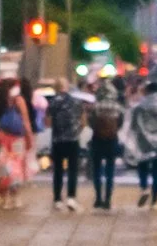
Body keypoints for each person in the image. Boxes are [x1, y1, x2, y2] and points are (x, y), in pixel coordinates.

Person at [0, 79, 36, 209]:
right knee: (16, 168)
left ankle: (6, 199)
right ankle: (16, 197)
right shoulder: (19, 100)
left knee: (3, 169)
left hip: (2, 138)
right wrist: (29, 137)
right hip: (17, 139)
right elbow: (26, 121)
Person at [126, 84, 157, 207]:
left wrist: (131, 143)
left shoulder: (139, 108)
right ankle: (155, 201)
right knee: (156, 173)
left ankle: (144, 188)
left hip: (143, 144)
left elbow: (133, 127)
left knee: (142, 168)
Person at [46, 80, 85, 211]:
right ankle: (71, 198)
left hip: (58, 140)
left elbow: (47, 121)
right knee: (73, 169)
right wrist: (76, 130)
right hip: (73, 139)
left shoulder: (52, 102)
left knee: (58, 170)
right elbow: (83, 120)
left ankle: (57, 199)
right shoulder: (76, 101)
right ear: (66, 87)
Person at [86, 82, 126, 210]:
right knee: (110, 171)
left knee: (97, 170)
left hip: (97, 139)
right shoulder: (118, 107)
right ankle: (108, 200)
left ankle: (98, 198)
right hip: (111, 140)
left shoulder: (95, 107)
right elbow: (121, 123)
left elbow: (91, 122)